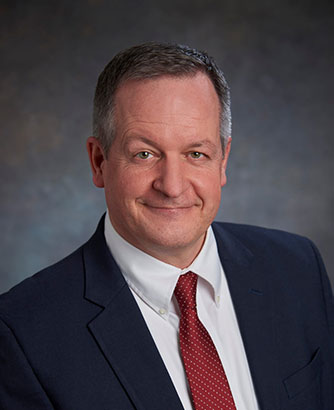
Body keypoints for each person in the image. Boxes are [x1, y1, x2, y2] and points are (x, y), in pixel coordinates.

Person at [0, 42, 333, 410]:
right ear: (99, 162)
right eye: (145, 154)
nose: (172, 185)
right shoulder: (22, 333)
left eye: (196, 154)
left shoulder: (298, 268)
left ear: (222, 162)